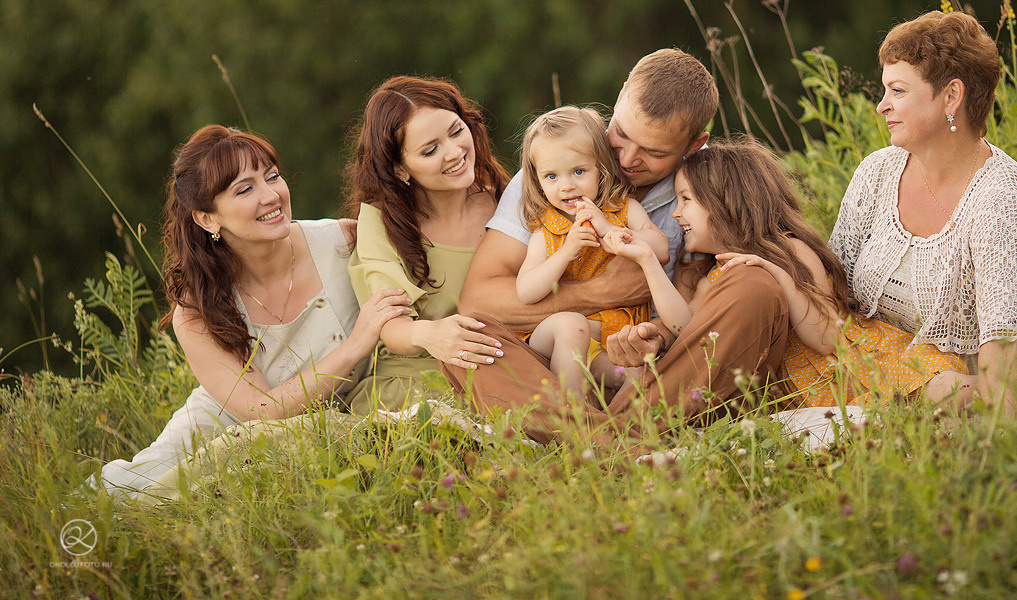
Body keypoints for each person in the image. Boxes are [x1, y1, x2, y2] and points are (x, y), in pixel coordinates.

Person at [447, 50, 801, 444]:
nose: (628, 160)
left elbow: (708, 300)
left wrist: (657, 337)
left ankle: (590, 440)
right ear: (618, 100)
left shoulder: (704, 186)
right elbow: (478, 300)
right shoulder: (553, 169)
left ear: (694, 144)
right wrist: (600, 291)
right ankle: (615, 442)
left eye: (655, 152)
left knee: (756, 288)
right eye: (622, 134)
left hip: (656, 368)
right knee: (468, 341)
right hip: (560, 356)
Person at [92, 125, 410, 499]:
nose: (271, 195)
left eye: (272, 177)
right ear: (207, 218)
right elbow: (262, 411)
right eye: (245, 189)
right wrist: (356, 344)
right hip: (224, 426)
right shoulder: (196, 310)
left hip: (333, 423)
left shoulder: (345, 242)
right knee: (137, 496)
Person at [604, 139, 967, 408]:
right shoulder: (703, 275)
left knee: (943, 394)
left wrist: (779, 277)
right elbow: (688, 330)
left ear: (727, 202)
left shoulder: (789, 250)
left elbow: (826, 338)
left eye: (687, 200)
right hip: (802, 389)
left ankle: (997, 393)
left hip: (855, 364)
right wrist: (648, 262)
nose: (677, 213)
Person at [830, 10, 1017, 415]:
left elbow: (1002, 350)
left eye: (898, 91)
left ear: (952, 96)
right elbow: (831, 290)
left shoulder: (1001, 197)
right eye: (885, 90)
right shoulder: (877, 172)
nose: (882, 106)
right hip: (866, 366)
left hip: (953, 395)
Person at [342, 76, 509, 413]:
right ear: (400, 168)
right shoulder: (382, 221)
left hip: (501, 372)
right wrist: (430, 335)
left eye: (456, 131)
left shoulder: (507, 202)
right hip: (413, 384)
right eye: (430, 150)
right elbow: (390, 325)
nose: (454, 152)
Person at [514, 106, 668, 395]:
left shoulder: (624, 210)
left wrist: (609, 229)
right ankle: (570, 417)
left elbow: (661, 249)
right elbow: (526, 291)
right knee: (572, 324)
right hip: (561, 337)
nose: (566, 186)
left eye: (578, 171)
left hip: (610, 343)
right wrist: (565, 253)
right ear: (537, 180)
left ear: (601, 168)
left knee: (640, 371)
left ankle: (617, 421)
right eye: (551, 176)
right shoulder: (546, 232)